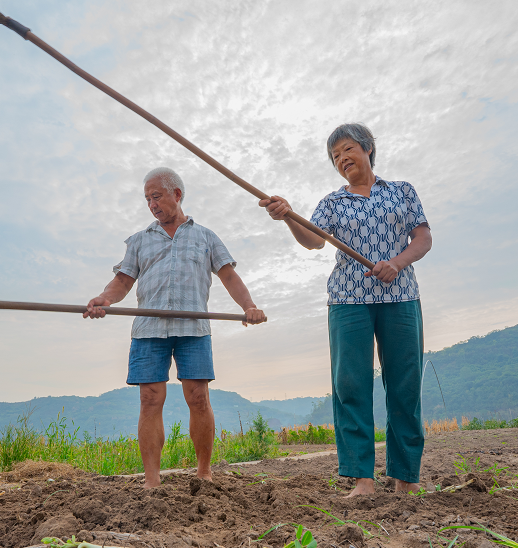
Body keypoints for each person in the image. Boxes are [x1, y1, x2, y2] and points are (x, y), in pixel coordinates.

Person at [259, 123, 432, 497]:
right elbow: (312, 241)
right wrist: (289, 215)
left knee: (405, 383)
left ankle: (406, 477)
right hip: (348, 300)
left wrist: (397, 263)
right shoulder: (332, 203)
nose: (342, 159)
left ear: (368, 148)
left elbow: (423, 238)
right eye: (335, 156)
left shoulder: (402, 192)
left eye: (347, 149)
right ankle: (362, 478)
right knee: (350, 384)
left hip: (399, 295)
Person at [85, 167, 266, 489]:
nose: (152, 204)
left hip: (193, 328)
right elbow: (123, 280)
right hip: (148, 329)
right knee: (149, 399)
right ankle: (152, 480)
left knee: (198, 397)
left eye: (157, 196)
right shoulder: (140, 241)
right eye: (147, 199)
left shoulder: (206, 236)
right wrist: (104, 299)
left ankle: (204, 472)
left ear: (177, 194)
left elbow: (228, 276)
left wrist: (248, 307)